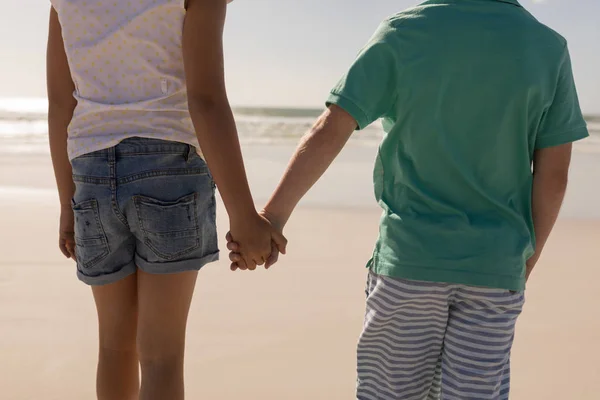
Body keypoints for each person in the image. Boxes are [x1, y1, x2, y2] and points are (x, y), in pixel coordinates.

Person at [227, 0, 589, 398]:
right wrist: (524, 261)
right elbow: (553, 177)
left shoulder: (404, 32)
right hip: (496, 269)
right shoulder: (547, 48)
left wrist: (272, 216)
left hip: (409, 260)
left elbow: (331, 129)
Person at [46, 0, 286, 399]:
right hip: (169, 167)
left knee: (113, 347)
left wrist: (65, 204)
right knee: (161, 358)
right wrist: (243, 214)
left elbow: (59, 105)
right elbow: (206, 99)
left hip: (90, 176)